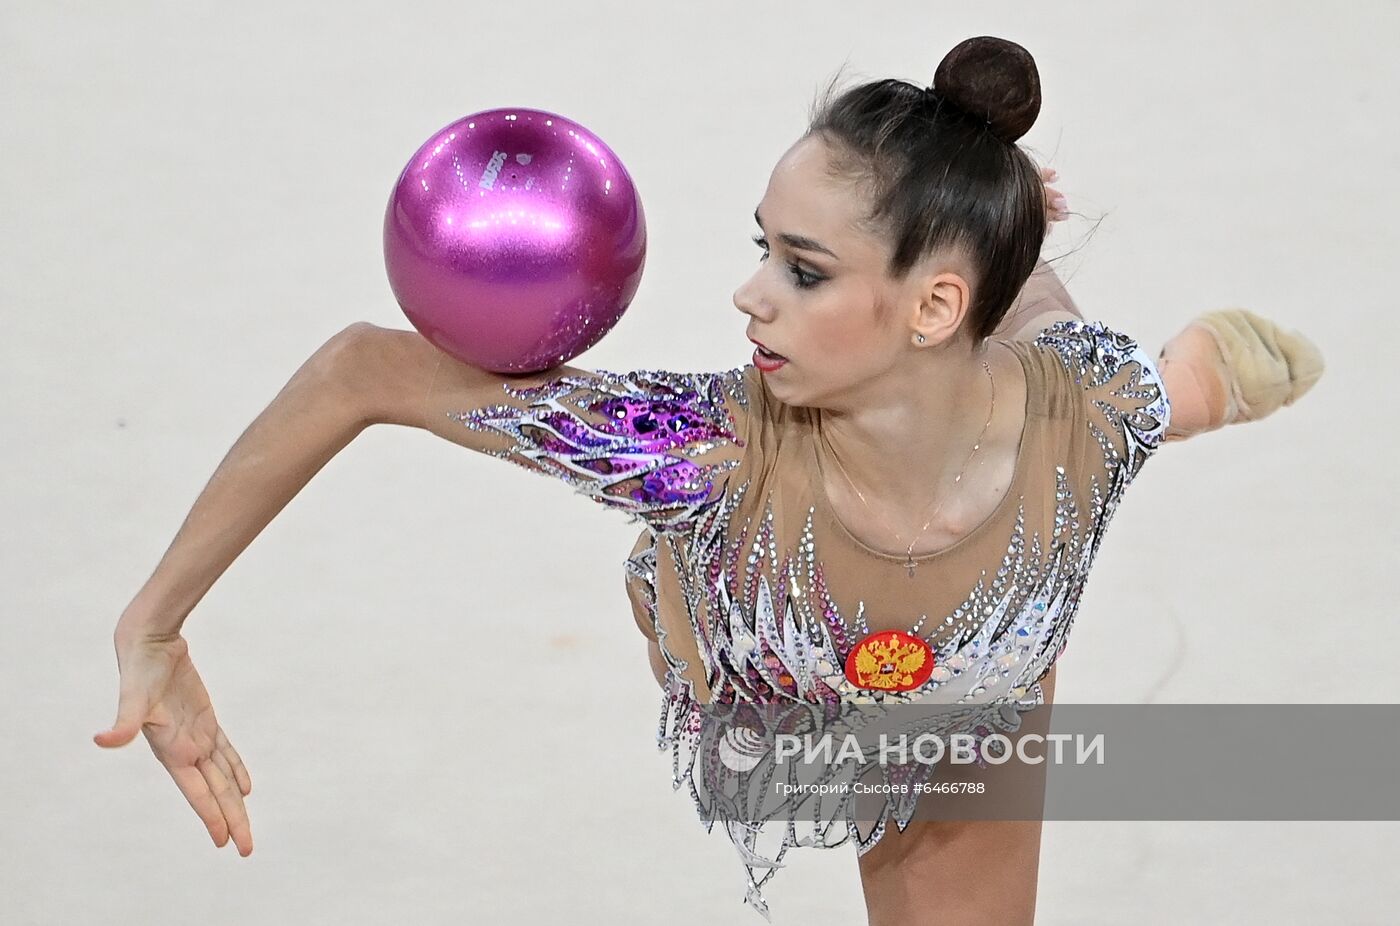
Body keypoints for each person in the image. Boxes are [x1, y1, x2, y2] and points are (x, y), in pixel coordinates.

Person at [93, 35, 1324, 925]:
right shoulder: (702, 451)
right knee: (1073, 366)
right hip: (784, 649)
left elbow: (1090, 380)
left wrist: (1188, 374)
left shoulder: (1091, 413)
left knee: (1157, 390)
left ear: (932, 298)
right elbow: (364, 368)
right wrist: (153, 625)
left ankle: (1172, 336)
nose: (746, 294)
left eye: (799, 268)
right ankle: (1026, 258)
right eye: (760, 251)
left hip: (975, 678)